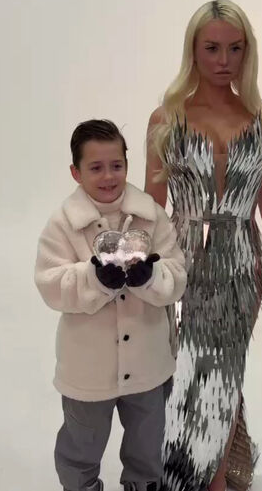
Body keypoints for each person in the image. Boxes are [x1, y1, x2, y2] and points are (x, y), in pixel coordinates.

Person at [142, 0, 262, 491]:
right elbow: (152, 203)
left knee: (226, 370)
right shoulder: (167, 118)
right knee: (184, 369)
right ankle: (184, 471)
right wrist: (141, 268)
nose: (224, 60)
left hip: (240, 262)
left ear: (248, 51)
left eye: (235, 48)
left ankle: (215, 481)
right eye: (211, 48)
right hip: (180, 260)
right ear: (193, 50)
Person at [35, 119, 188, 491]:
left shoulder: (152, 216)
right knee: (81, 444)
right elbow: (49, 284)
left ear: (127, 165)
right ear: (76, 172)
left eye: (116, 165)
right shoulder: (63, 224)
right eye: (96, 167)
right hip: (88, 368)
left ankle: (144, 485)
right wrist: (93, 279)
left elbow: (177, 275)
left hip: (148, 363)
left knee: (147, 442)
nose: (108, 176)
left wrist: (151, 277)